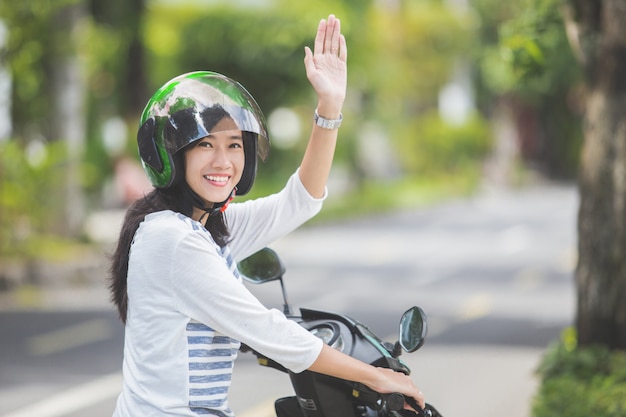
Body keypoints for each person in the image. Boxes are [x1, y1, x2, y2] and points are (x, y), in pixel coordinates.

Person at [109, 14, 425, 417]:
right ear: (170, 155)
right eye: (205, 145)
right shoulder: (173, 240)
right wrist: (374, 375)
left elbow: (300, 200)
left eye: (235, 145)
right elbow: (265, 329)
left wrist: (329, 106)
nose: (223, 161)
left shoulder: (207, 229)